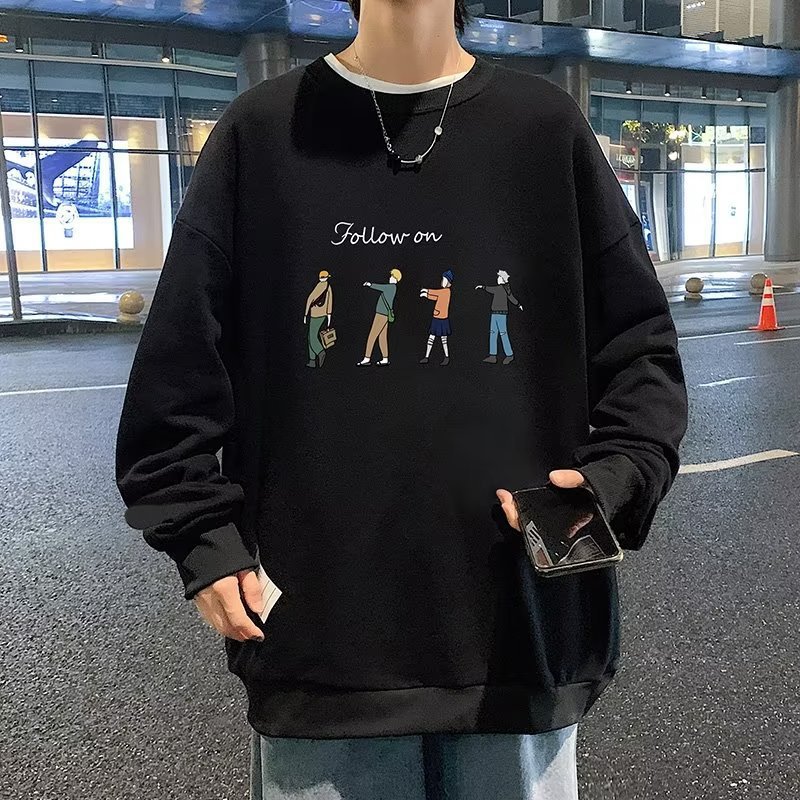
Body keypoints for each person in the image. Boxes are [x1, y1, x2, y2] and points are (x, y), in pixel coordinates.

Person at [114, 1, 688, 798]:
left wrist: (617, 477)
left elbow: (642, 350)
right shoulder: (263, 132)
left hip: (518, 624)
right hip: (322, 632)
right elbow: (175, 376)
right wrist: (202, 536)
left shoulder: (542, 128)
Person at [476, 269, 523, 364]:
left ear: (502, 279)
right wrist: (483, 287)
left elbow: (511, 298)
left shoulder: (503, 289)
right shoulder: (500, 289)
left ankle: (509, 355)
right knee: (493, 334)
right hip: (494, 314)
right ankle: (493, 355)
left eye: (499, 277)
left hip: (501, 315)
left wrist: (518, 304)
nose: (497, 278)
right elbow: (490, 289)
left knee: (503, 334)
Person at [359, 267, 402, 365]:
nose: (390, 278)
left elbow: (380, 287)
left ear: (395, 279)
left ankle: (367, 358)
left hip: (381, 315)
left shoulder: (391, 287)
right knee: (382, 337)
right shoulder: (392, 288)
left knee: (372, 335)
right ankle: (385, 358)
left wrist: (369, 284)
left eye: (392, 276)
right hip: (384, 315)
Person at [419, 269, 454, 365]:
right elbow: (436, 297)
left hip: (442, 319)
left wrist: (427, 291)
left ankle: (446, 356)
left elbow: (437, 293)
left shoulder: (446, 291)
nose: (442, 281)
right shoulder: (443, 293)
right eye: (443, 279)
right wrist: (426, 295)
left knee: (443, 339)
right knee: (432, 338)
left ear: (448, 282)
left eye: (444, 280)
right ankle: (426, 357)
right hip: (437, 318)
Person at [304, 269, 334, 367]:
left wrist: (305, 314)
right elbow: (330, 303)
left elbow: (310, 298)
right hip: (324, 315)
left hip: (315, 315)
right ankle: (312, 361)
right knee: (311, 337)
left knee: (312, 336)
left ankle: (320, 352)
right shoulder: (328, 286)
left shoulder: (319, 286)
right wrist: (329, 317)